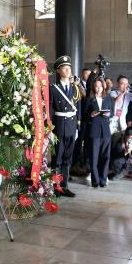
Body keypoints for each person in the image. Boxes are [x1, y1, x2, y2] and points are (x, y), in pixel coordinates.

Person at [49, 55, 81, 197]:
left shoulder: (75, 88)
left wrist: (77, 127)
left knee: (68, 158)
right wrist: (49, 129)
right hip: (59, 126)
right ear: (58, 70)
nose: (68, 70)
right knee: (57, 159)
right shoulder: (53, 89)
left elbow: (78, 107)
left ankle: (65, 186)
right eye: (64, 68)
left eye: (69, 68)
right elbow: (50, 110)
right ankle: (55, 187)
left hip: (71, 126)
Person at [85, 77, 113, 188]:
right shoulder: (89, 99)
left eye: (100, 86)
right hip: (94, 130)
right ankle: (95, 180)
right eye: (96, 86)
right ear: (93, 87)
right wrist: (91, 114)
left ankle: (103, 179)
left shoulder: (108, 98)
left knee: (105, 156)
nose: (98, 88)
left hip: (105, 130)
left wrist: (109, 114)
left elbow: (112, 112)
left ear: (103, 87)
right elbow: (84, 115)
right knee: (94, 156)